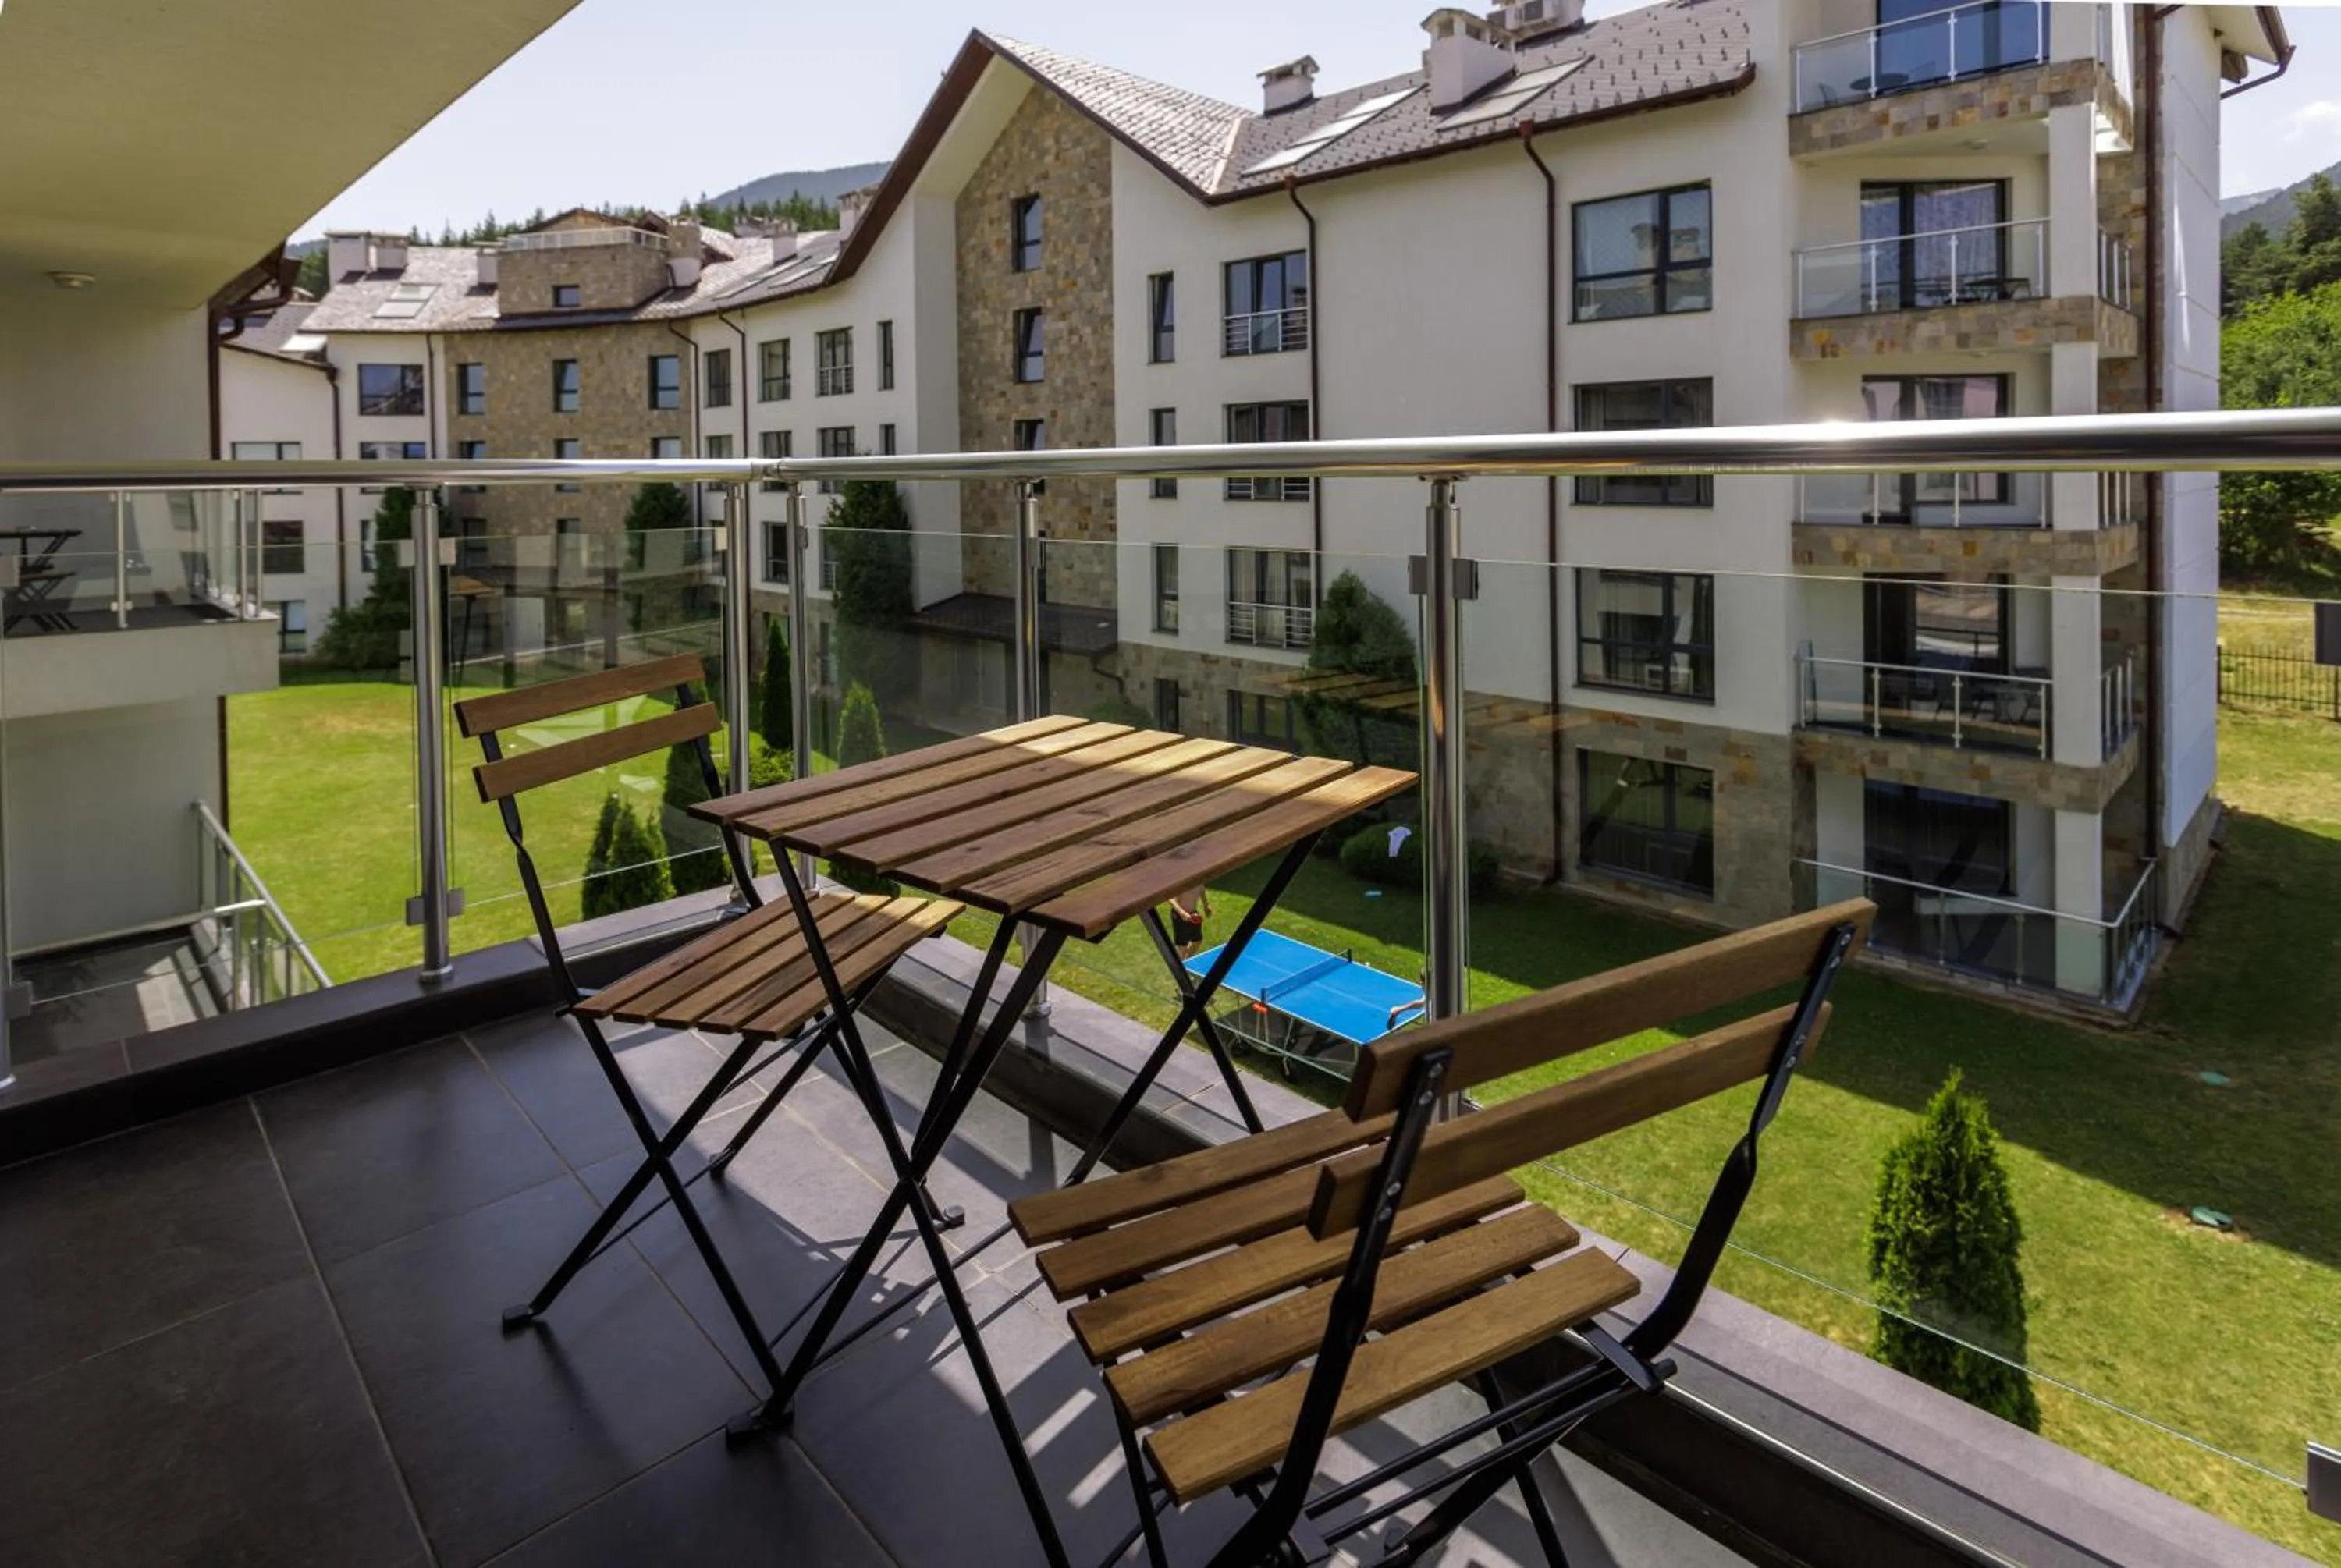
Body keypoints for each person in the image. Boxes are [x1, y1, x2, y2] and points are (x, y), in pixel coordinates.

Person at [1166, 885, 1212, 958]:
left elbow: (1201, 890)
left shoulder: (1199, 882)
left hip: (1193, 915)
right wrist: (1182, 913)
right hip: (1179, 916)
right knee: (1182, 947)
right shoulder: (1183, 883)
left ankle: (1187, 960)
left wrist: (1206, 905)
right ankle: (1181, 962)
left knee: (1197, 941)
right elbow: (1170, 898)